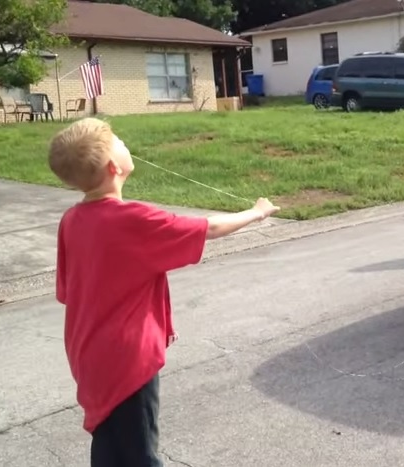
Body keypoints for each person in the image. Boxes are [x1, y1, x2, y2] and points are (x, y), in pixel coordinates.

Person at [47, 117, 280, 467]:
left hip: (87, 355)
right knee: (140, 453)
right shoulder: (133, 220)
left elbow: (71, 291)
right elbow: (210, 228)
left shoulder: (71, 220)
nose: (126, 145)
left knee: (110, 445)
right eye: (120, 142)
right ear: (115, 167)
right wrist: (257, 212)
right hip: (127, 360)